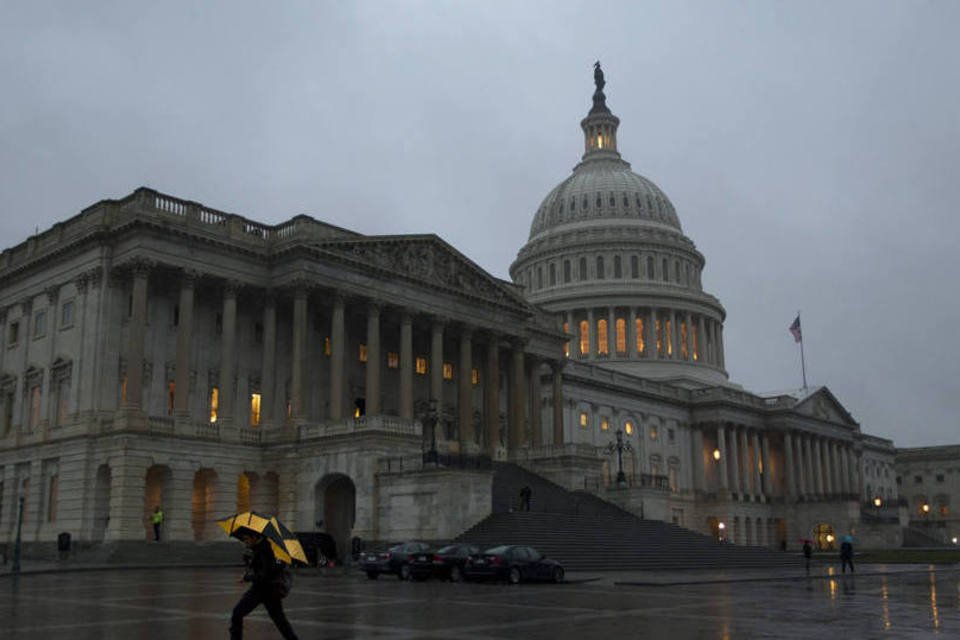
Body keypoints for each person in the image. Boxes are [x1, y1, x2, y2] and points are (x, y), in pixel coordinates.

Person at [230, 533, 299, 640]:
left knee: (237, 614)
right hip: (264, 589)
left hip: (266, 590)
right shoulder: (258, 548)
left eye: (247, 538)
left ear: (254, 537)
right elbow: (258, 568)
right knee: (280, 621)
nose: (245, 541)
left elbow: (266, 574)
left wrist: (248, 577)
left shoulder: (266, 550)